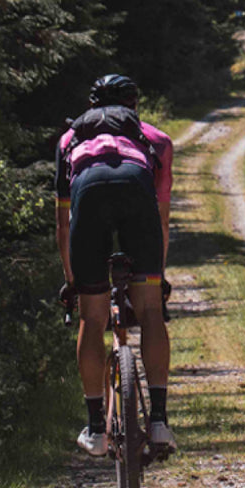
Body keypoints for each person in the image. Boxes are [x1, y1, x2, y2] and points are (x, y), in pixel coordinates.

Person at [56, 74, 176, 455]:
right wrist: (157, 276)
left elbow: (64, 221)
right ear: (133, 107)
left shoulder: (70, 139)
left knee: (93, 319)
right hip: (135, 189)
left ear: (91, 107)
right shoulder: (154, 139)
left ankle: (95, 428)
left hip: (88, 193)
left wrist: (73, 282)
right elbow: (161, 217)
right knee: (151, 312)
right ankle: (158, 422)